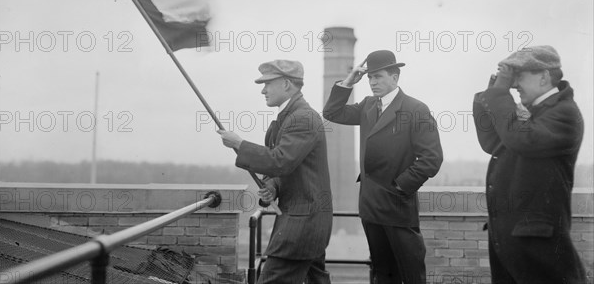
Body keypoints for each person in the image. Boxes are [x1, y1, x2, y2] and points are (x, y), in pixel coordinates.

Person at [323, 50, 443, 284]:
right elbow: (332, 112)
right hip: (370, 206)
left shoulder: (415, 109)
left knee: (411, 274)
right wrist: (348, 82)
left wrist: (398, 188)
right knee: (382, 273)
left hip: (397, 208)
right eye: (370, 77)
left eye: (378, 77)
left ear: (395, 78)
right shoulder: (368, 105)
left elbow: (431, 158)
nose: (372, 82)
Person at [472, 45, 587, 284]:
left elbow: (520, 139)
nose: (514, 85)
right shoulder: (534, 114)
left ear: (544, 77)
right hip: (513, 243)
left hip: (539, 248)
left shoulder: (564, 113)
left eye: (519, 77)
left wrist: (500, 94)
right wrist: (493, 90)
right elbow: (492, 141)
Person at [218, 59, 333, 284]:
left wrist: (240, 144)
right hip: (307, 223)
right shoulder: (288, 118)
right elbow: (287, 170)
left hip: (301, 226)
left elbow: (281, 162)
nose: (263, 90)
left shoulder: (303, 118)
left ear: (287, 84)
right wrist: (272, 186)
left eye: (268, 83)